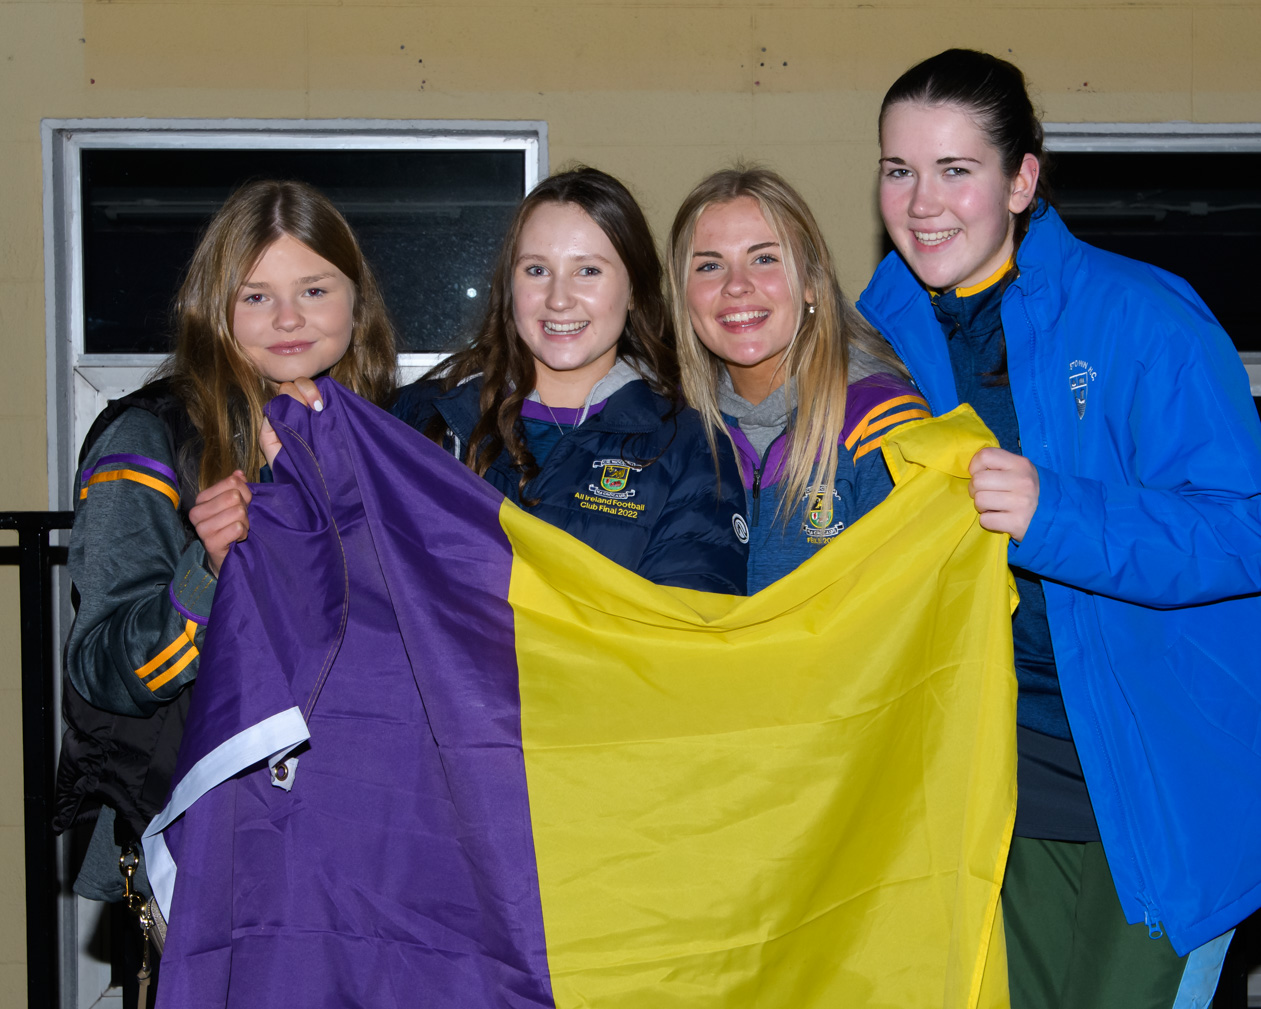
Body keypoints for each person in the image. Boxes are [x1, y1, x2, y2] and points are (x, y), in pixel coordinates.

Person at [858, 47, 1261, 1009]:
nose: (922, 203)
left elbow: (1243, 530)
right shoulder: (874, 335)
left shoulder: (1142, 317)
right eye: (898, 169)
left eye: (955, 169)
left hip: (1149, 785)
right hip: (993, 779)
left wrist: (1059, 513)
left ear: (1021, 181)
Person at [54, 179, 397, 999]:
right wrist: (207, 572)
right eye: (257, 295)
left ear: (357, 303)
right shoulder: (150, 437)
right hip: (205, 839)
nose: (289, 318)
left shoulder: (393, 437)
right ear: (216, 306)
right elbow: (100, 670)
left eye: (314, 290)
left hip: (356, 841)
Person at [390, 166, 748, 594]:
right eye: (536, 270)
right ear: (509, 285)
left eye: (588, 271)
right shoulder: (419, 417)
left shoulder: (688, 445)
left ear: (634, 289)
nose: (558, 299)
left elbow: (686, 629)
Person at [665, 167, 928, 593]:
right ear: (683, 295)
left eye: (764, 258)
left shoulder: (884, 423)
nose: (736, 285)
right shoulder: (666, 429)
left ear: (811, 283)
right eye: (710, 265)